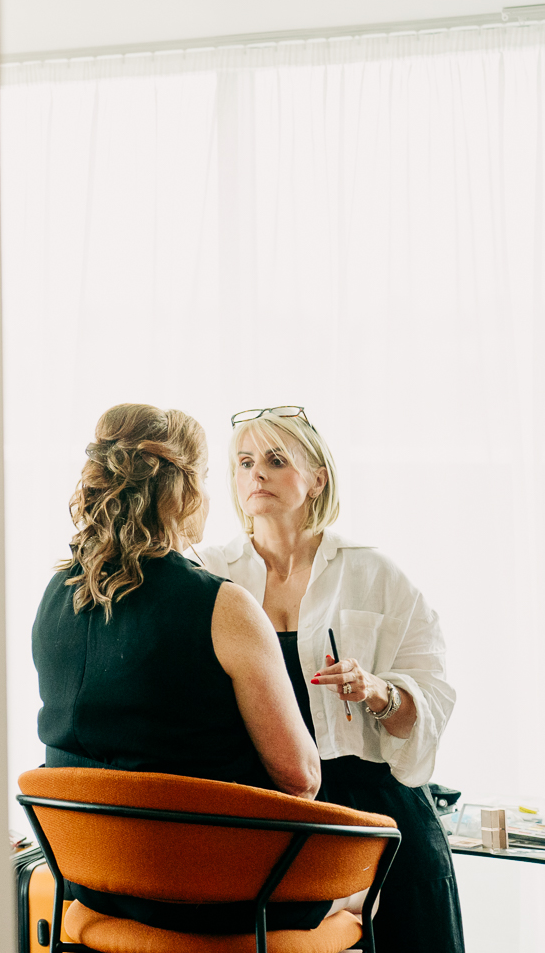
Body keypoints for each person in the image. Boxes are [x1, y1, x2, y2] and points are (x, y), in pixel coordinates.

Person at [33, 402, 325, 935]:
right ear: (184, 490)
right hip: (208, 896)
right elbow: (301, 778)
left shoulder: (55, 594)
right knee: (370, 886)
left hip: (93, 883)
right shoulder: (224, 606)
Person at [196, 406, 464, 953]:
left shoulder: (376, 573)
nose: (256, 475)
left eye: (275, 460)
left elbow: (432, 697)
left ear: (317, 477)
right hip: (265, 808)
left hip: (374, 807)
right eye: (244, 463)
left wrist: (379, 691)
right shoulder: (206, 573)